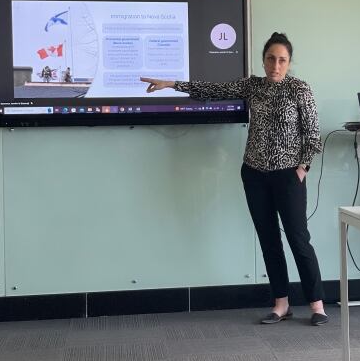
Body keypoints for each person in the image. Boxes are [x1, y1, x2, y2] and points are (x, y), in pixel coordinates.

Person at [140, 32, 329, 326]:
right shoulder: (252, 86)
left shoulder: (299, 89)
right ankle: (281, 303)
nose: (275, 65)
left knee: (298, 238)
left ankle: (317, 305)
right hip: (254, 174)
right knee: (269, 240)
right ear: (263, 60)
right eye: (270, 59)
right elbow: (213, 89)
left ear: (289, 63)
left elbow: (314, 136)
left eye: (282, 60)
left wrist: (302, 168)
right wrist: (172, 84)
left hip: (288, 175)